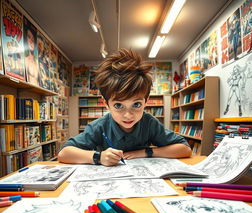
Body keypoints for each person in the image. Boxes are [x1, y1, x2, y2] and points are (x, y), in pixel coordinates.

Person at [58, 49, 192, 166]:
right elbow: (64, 153)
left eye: (136, 105)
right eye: (118, 105)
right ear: (106, 104)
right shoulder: (99, 126)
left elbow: (185, 149)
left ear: (146, 102)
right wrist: (99, 157)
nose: (128, 115)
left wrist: (146, 152)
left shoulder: (149, 123)